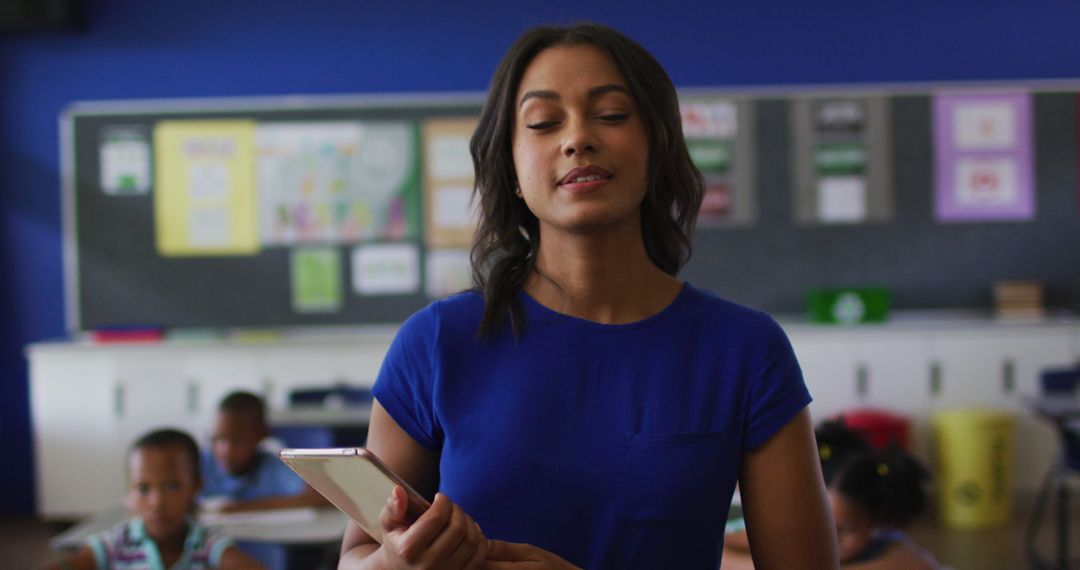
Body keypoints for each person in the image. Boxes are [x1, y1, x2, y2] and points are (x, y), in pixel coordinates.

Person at [340, 22, 837, 569]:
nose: (577, 138)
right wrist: (393, 563)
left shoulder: (745, 350)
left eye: (612, 115)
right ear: (511, 168)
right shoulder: (435, 343)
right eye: (543, 122)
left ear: (657, 145)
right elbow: (357, 556)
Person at [724, 421, 938, 570]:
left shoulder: (889, 549)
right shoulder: (774, 534)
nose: (830, 538)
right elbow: (721, 556)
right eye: (816, 524)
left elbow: (920, 565)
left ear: (875, 519)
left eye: (844, 529)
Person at [43, 428, 262, 569]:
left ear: (195, 486)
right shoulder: (118, 544)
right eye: (143, 488)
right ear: (129, 492)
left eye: (171, 486)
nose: (157, 502)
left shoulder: (205, 545)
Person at [200, 391, 328, 513]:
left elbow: (321, 496)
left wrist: (240, 509)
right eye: (218, 438)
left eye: (237, 441)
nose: (226, 450)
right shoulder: (199, 464)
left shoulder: (273, 469)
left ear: (261, 434)